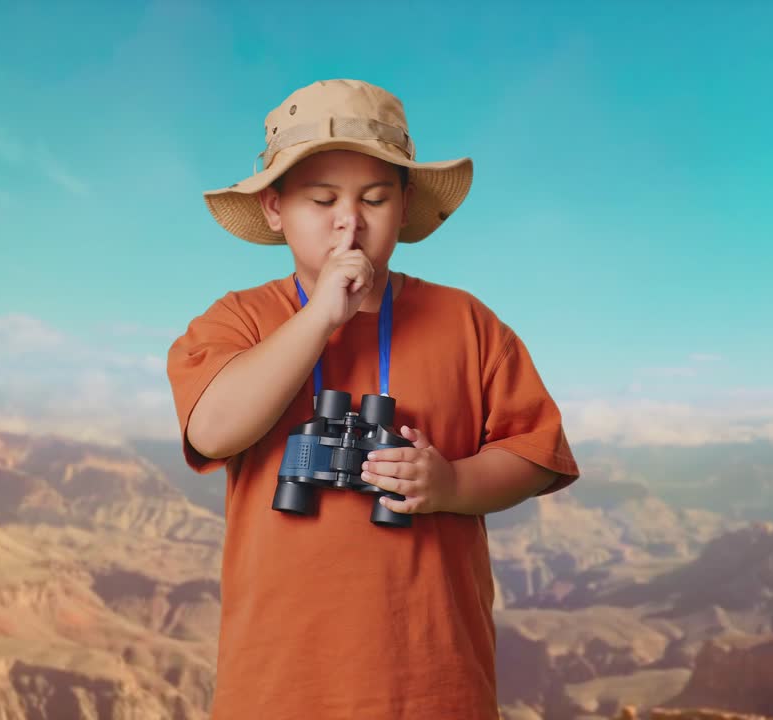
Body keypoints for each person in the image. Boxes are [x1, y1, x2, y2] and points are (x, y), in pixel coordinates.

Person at [166, 78, 580, 719]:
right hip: (279, 687)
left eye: (375, 198)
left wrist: (450, 485)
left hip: (434, 683)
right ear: (275, 208)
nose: (348, 222)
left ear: (405, 205)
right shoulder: (238, 321)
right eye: (322, 199)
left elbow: (537, 453)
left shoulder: (467, 324)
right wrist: (319, 318)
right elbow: (214, 430)